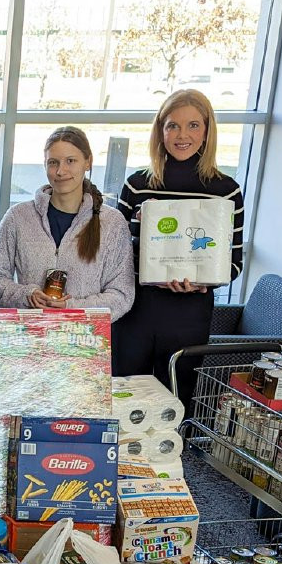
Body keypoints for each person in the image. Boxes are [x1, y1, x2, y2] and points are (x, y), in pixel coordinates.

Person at [113, 88, 245, 387]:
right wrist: (145, 246)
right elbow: (113, 257)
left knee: (175, 403)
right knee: (124, 398)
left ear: (207, 131)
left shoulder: (226, 191)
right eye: (172, 125)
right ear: (160, 131)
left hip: (189, 317)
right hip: (135, 311)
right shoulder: (137, 186)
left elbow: (234, 262)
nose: (182, 134)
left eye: (193, 125)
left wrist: (203, 281)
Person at [0, 127, 134, 320]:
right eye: (53, 162)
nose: (60, 171)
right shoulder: (18, 217)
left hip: (85, 342)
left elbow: (121, 296)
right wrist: (27, 296)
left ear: (88, 162)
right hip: (29, 339)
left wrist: (71, 307)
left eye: (70, 161)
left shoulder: (112, 223)